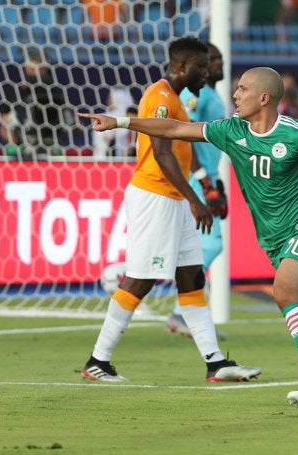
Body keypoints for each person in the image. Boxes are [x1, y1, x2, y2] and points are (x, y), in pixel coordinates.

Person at [79, 66, 298, 410]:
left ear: (264, 98)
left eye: (242, 89)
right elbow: (176, 128)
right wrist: (122, 122)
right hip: (274, 241)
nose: (235, 95)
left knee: (285, 291)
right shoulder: (230, 130)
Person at [79, 37, 261, 383]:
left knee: (191, 277)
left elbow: (182, 145)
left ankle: (215, 364)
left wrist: (202, 183)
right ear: (180, 67)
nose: (206, 73)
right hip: (155, 197)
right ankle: (97, 361)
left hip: (174, 199)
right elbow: (162, 154)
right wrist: (195, 200)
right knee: (141, 279)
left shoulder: (176, 99)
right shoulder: (160, 97)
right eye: (201, 67)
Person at [165, 42, 229, 338]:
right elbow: (185, 137)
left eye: (218, 59)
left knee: (197, 243)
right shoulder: (194, 94)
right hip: (197, 179)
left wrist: (215, 181)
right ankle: (183, 310)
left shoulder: (213, 94)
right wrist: (204, 180)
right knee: (210, 243)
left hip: (208, 176)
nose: (217, 64)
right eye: (211, 60)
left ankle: (185, 312)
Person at [0, 46, 72, 160]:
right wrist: (13, 140)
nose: (35, 74)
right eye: (32, 70)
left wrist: (73, 125)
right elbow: (3, 122)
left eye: (40, 70)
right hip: (21, 141)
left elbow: (69, 120)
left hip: (50, 141)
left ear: (46, 70)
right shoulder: (14, 92)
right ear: (26, 69)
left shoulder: (54, 92)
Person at [92, 87, 137, 160]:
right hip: (103, 157)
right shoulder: (103, 117)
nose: (108, 101)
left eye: (111, 98)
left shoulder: (128, 119)